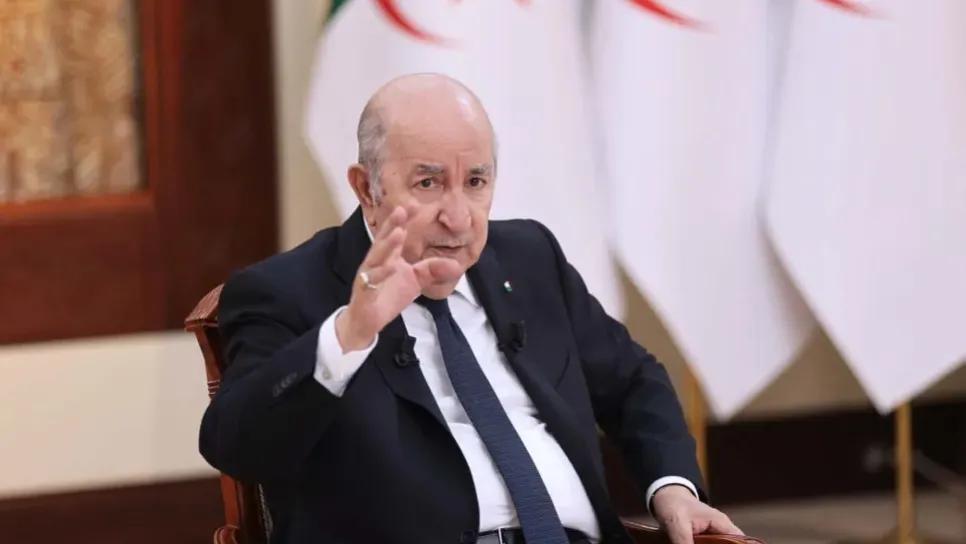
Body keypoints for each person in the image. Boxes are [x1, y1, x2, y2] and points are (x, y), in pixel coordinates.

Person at [200, 73, 742, 544]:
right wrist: (349, 334)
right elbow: (236, 445)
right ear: (367, 189)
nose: (458, 217)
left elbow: (634, 380)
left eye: (476, 182)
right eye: (428, 183)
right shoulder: (286, 291)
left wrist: (673, 488)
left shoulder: (530, 258)